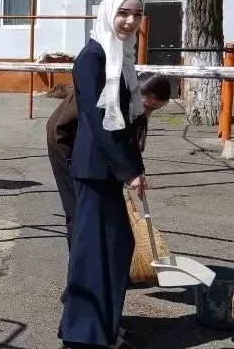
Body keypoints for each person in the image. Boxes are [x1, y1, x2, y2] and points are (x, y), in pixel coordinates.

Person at [58, 0, 149, 349]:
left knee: (113, 248)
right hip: (96, 169)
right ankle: (85, 334)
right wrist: (129, 171)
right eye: (123, 13)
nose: (130, 21)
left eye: (137, 14)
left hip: (105, 167)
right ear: (109, 13)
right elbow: (101, 121)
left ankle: (103, 327)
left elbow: (125, 121)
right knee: (96, 252)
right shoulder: (93, 56)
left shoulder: (118, 55)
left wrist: (136, 166)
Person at [46, 72, 171, 250]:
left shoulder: (133, 105)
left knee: (104, 211)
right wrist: (75, 166)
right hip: (66, 147)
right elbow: (60, 129)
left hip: (96, 157)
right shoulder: (103, 91)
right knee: (78, 209)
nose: (146, 112)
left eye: (154, 109)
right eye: (147, 106)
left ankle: (103, 259)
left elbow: (129, 139)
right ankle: (81, 261)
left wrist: (136, 170)